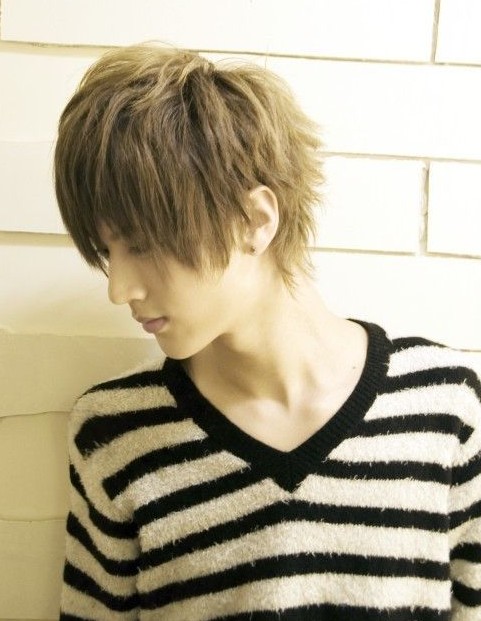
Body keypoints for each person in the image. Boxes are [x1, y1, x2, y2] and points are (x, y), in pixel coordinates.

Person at [54, 44, 481, 620]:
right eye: (108, 252)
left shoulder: (442, 407)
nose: (119, 288)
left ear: (254, 220)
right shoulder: (115, 434)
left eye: (145, 243)